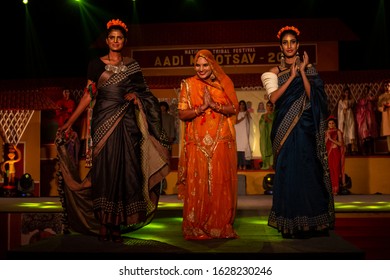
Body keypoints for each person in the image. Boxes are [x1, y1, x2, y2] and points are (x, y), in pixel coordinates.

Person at [57, 19, 171, 242]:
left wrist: (137, 97)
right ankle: (103, 223)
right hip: (103, 122)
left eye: (120, 38)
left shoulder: (133, 66)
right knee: (105, 171)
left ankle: (117, 224)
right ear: (107, 40)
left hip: (127, 124)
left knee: (126, 171)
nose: (116, 41)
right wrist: (70, 122)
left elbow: (147, 95)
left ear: (124, 41)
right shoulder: (95, 65)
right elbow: (89, 94)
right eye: (112, 38)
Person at [260, 26, 334, 238]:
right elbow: (273, 99)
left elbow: (314, 98)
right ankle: (290, 223)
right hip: (284, 131)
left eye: (293, 42)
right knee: (287, 172)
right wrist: (291, 77)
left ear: (298, 45)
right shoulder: (274, 72)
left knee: (308, 171)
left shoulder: (309, 69)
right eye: (285, 42)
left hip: (306, 129)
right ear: (281, 47)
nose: (290, 46)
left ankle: (313, 222)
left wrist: (301, 71)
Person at [176, 49, 239, 240]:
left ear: (212, 65)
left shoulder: (224, 83)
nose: (201, 69)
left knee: (220, 183)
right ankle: (196, 225)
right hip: (197, 142)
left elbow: (234, 108)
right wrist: (201, 108)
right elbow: (182, 114)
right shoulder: (188, 84)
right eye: (197, 65)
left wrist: (214, 105)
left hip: (220, 140)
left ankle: (219, 225)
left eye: (205, 65)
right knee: (197, 183)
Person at [355, 85, 378, 155]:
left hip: (370, 116)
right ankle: (364, 150)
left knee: (371, 131)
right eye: (365, 90)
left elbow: (374, 103)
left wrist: (370, 96)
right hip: (363, 118)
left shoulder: (370, 98)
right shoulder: (362, 100)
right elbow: (361, 104)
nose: (366, 91)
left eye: (367, 90)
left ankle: (371, 150)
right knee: (364, 134)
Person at [325, 116, 345, 195]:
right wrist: (327, 138)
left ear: (335, 124)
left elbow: (341, 144)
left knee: (335, 170)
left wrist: (331, 139)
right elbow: (324, 144)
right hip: (328, 153)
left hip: (335, 152)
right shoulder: (326, 132)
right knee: (330, 170)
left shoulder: (338, 132)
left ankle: (336, 189)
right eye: (329, 123)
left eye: (333, 123)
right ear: (328, 124)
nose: (331, 125)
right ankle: (330, 189)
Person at [337, 86, 358, 155]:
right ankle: (345, 149)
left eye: (348, 93)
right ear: (343, 93)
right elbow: (339, 111)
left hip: (350, 117)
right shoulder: (341, 101)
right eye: (345, 92)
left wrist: (348, 108)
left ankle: (353, 148)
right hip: (343, 118)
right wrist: (343, 112)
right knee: (344, 132)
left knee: (351, 130)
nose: (347, 94)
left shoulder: (351, 100)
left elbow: (353, 107)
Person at [235, 100, 252, 170]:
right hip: (238, 132)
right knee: (238, 148)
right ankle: (239, 165)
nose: (242, 106)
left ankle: (244, 164)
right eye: (240, 104)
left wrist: (247, 115)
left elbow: (249, 122)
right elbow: (235, 122)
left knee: (244, 148)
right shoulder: (236, 113)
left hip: (244, 132)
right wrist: (242, 118)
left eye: (243, 104)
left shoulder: (246, 113)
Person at [259, 101, 274, 170]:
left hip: (272, 135)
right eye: (268, 106)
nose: (269, 107)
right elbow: (261, 126)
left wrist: (268, 120)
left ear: (272, 107)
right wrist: (264, 121)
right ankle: (266, 164)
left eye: (270, 106)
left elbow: (275, 124)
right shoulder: (263, 115)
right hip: (265, 136)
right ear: (266, 107)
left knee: (272, 148)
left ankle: (271, 164)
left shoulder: (274, 115)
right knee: (264, 148)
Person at [377, 79, 390, 152]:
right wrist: (384, 107)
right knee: (388, 134)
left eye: (389, 85)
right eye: (386, 85)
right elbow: (379, 107)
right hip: (386, 116)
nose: (387, 87)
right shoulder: (381, 97)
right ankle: (389, 149)